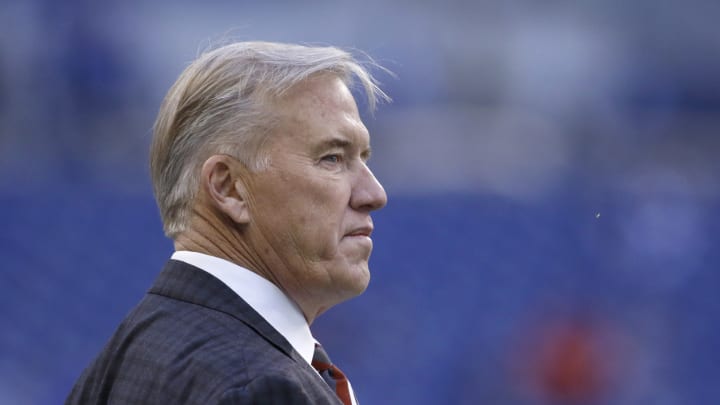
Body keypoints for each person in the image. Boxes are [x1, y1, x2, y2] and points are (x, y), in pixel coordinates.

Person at [66, 41, 389, 404]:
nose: (374, 193)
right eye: (332, 158)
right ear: (229, 188)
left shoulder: (122, 361)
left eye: (363, 157)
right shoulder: (260, 387)